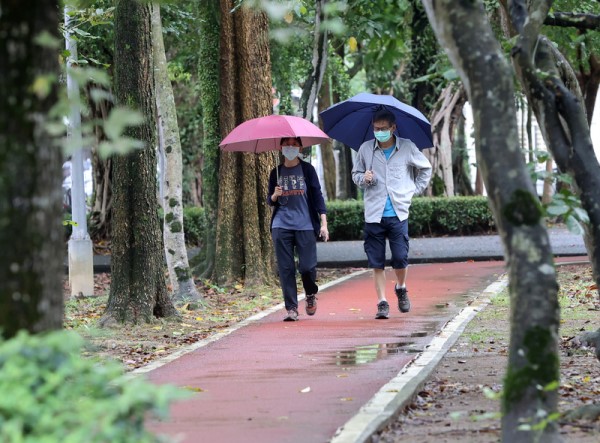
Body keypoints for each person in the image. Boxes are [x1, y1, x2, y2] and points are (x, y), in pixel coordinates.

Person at [351, 109, 432, 319]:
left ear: (393, 128)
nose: (379, 132)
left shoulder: (407, 147)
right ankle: (382, 302)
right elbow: (355, 174)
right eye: (376, 129)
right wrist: (364, 178)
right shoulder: (365, 149)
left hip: (398, 213)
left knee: (400, 258)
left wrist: (413, 190)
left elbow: (426, 169)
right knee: (376, 262)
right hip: (374, 214)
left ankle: (401, 287)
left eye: (383, 129)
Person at [267, 137, 329, 321]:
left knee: (307, 267)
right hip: (281, 224)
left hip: (305, 224)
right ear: (281, 147)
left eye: (294, 144)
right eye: (287, 144)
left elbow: (317, 196)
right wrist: (275, 195)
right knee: (286, 268)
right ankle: (291, 309)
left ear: (300, 147)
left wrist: (324, 223)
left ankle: (310, 293)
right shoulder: (275, 172)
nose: (290, 147)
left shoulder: (307, 170)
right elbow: (269, 200)